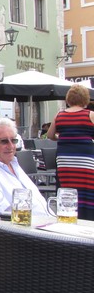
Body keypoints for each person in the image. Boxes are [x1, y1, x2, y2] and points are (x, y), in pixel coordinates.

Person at [0, 118, 48, 221]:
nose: (11, 146)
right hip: (27, 233)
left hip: (47, 226)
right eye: (4, 141)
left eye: (14, 140)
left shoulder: (14, 165)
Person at [47, 84, 94, 220]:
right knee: (86, 188)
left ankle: (66, 215)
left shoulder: (60, 115)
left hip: (64, 159)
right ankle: (87, 218)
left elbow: (50, 135)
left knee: (67, 187)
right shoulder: (90, 115)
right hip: (86, 159)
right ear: (85, 99)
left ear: (68, 99)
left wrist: (62, 137)